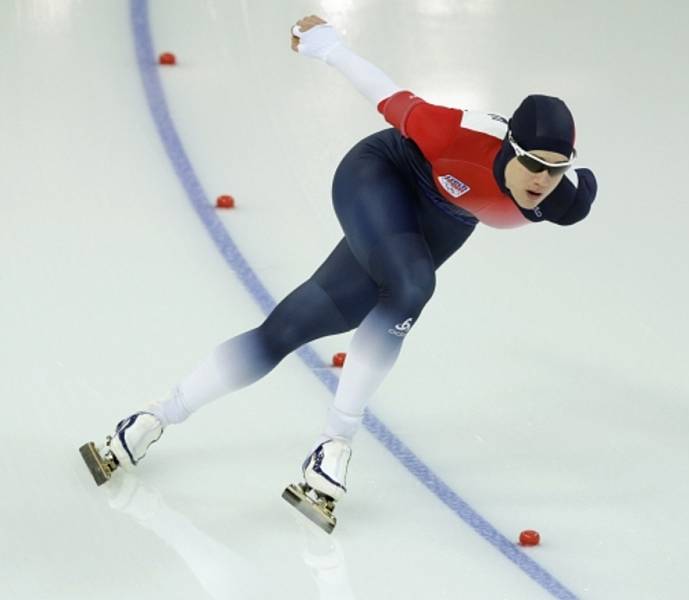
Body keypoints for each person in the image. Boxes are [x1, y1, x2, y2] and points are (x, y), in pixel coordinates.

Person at [80, 15, 597, 528]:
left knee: (292, 326)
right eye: (532, 163)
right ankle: (335, 444)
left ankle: (150, 419)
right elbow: (388, 96)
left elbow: (573, 194)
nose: (543, 181)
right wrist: (326, 45)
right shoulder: (452, 133)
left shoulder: (558, 201)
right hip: (380, 177)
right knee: (414, 283)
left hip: (439, 223)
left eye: (557, 170)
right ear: (509, 147)